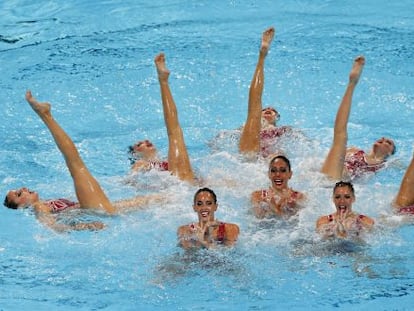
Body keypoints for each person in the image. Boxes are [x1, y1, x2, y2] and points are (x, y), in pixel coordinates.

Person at [4, 91, 165, 232]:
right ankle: (46, 115)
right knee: (75, 164)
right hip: (95, 210)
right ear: (20, 206)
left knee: (157, 199)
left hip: (100, 209)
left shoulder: (46, 202)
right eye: (19, 194)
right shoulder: (39, 208)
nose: (24, 188)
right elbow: (54, 228)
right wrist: (85, 227)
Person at [321, 56, 396, 180]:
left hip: (339, 183)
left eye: (389, 143)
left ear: (390, 153)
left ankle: (352, 83)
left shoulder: (385, 165)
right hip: (329, 174)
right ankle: (352, 83)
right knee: (340, 138)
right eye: (384, 139)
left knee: (341, 137)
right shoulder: (354, 150)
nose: (383, 139)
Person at [128, 53, 196, 183]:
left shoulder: (166, 159)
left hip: (188, 181)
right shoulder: (140, 164)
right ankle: (163, 82)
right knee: (174, 132)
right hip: (176, 184)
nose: (146, 140)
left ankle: (163, 81)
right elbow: (131, 181)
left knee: (175, 132)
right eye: (139, 144)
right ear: (135, 154)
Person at [239, 26, 294, 158]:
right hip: (252, 148)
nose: (269, 109)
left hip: (270, 159)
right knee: (253, 110)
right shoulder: (249, 127)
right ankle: (262, 56)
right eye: (264, 110)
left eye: (273, 110)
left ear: (277, 118)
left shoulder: (282, 130)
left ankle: (262, 56)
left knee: (278, 155)